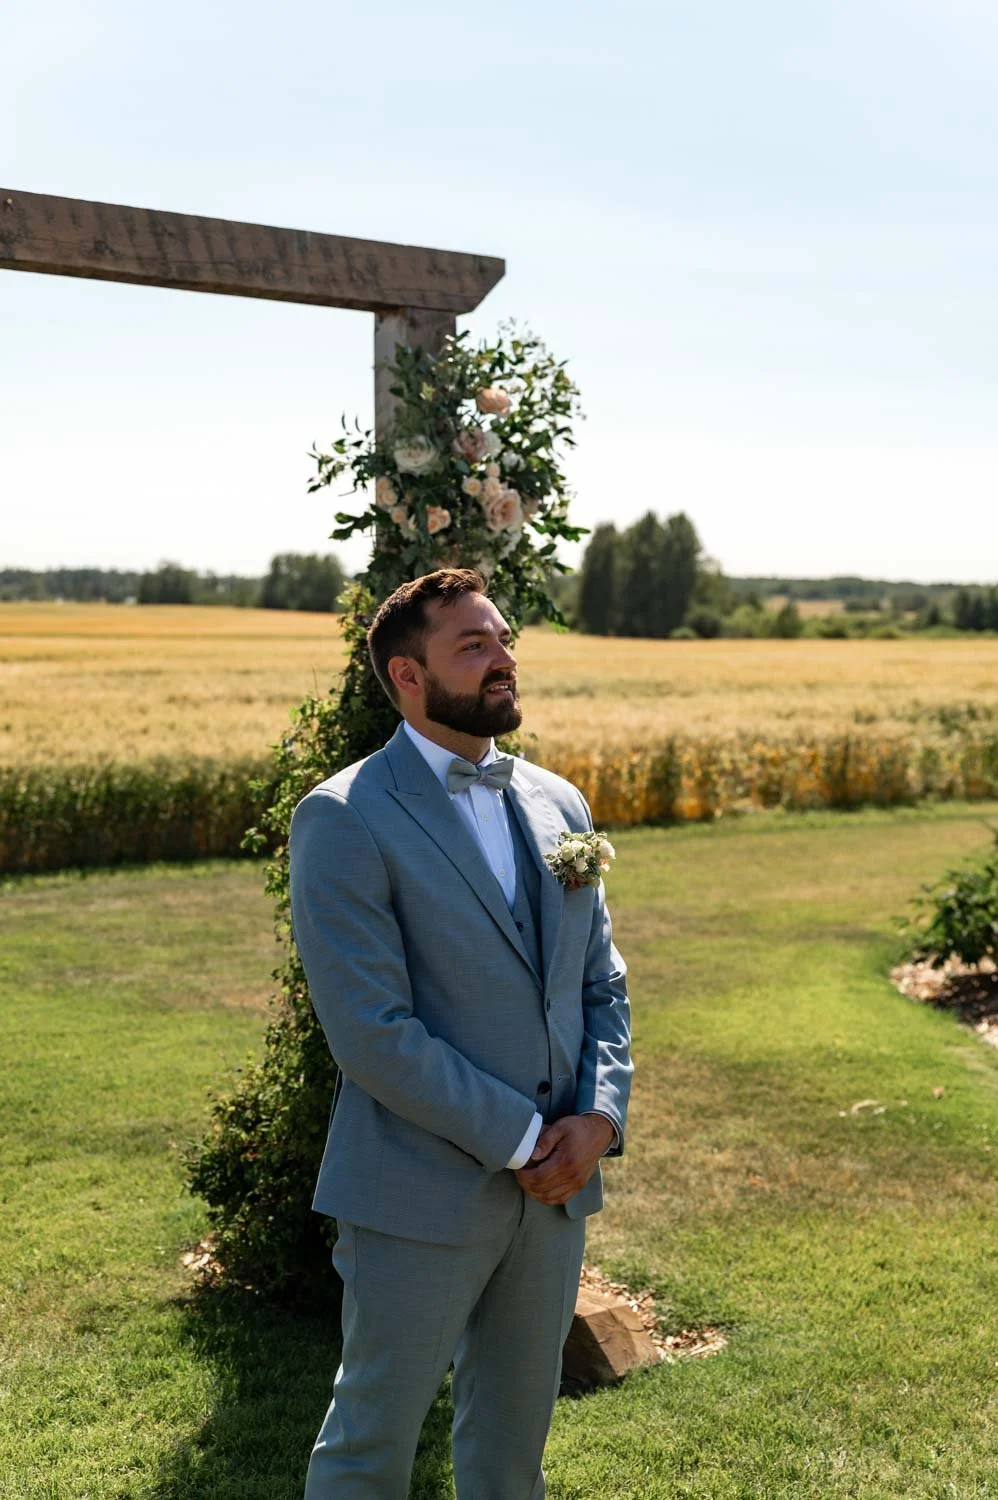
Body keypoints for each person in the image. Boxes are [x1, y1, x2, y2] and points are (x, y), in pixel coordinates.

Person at [289, 566, 633, 1499]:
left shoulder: (560, 803)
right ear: (407, 676)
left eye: (503, 639)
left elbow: (600, 980)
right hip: (416, 1194)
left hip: (557, 1193)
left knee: (511, 1457)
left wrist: (598, 1119)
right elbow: (372, 1032)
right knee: (370, 1449)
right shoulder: (344, 816)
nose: (502, 660)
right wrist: (526, 1139)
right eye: (472, 646)